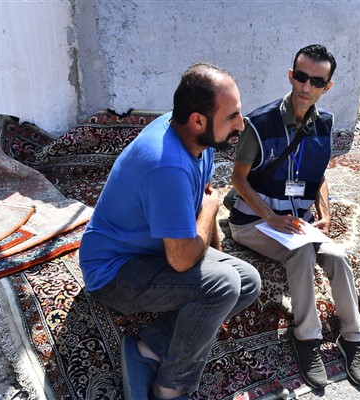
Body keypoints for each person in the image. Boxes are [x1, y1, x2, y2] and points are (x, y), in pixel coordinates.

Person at [79, 63, 262, 400]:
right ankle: (171, 387)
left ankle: (149, 348)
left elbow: (200, 204)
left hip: (152, 255)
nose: (241, 125)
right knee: (223, 284)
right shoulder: (168, 165)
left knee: (248, 280)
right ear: (198, 120)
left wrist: (214, 248)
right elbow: (181, 259)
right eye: (232, 116)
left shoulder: (195, 141)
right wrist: (210, 212)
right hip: (114, 272)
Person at [228, 44, 360, 388]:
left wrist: (324, 211)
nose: (306, 87)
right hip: (254, 221)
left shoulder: (326, 124)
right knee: (302, 252)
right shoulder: (259, 124)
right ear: (291, 76)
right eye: (301, 77)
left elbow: (319, 175)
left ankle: (353, 335)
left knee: (336, 254)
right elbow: (237, 179)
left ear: (327, 87)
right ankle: (307, 338)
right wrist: (269, 216)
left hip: (296, 223)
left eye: (316, 81)